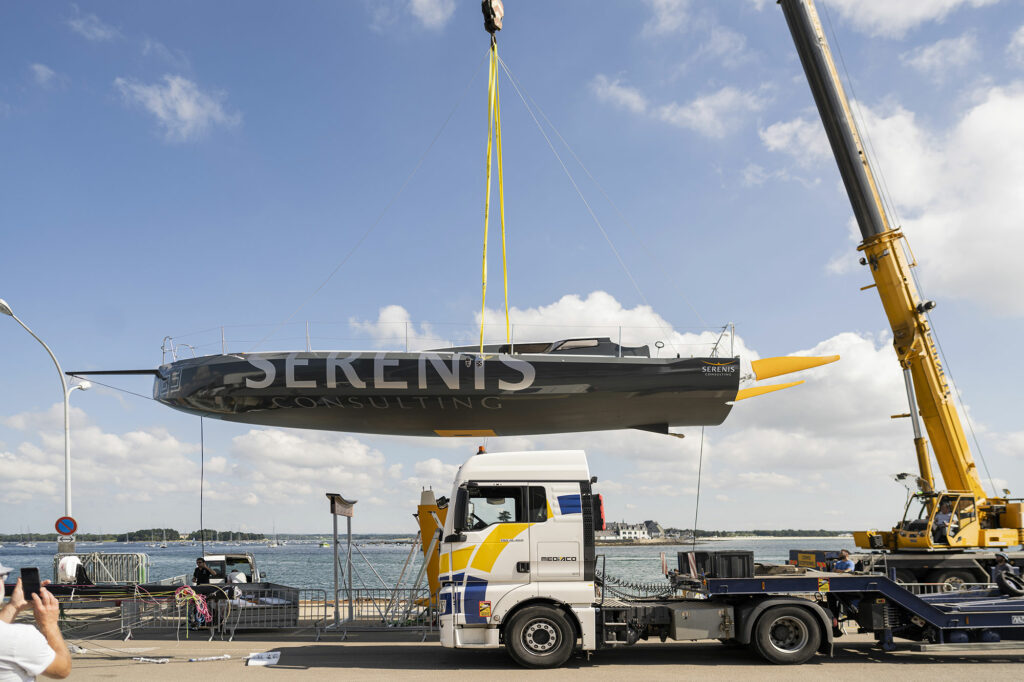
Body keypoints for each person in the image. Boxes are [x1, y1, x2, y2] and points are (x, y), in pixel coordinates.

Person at [0, 562, 72, 680]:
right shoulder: (20, 637)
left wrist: (14, 606)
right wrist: (49, 624)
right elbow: (62, 669)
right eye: (3, 576)